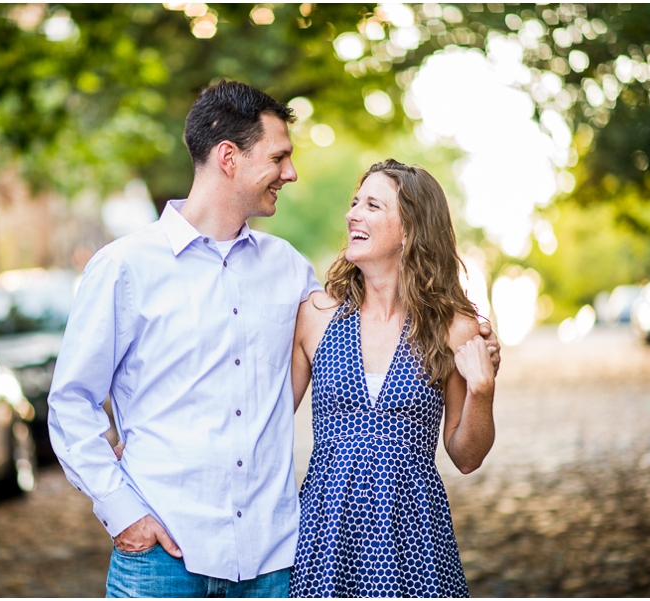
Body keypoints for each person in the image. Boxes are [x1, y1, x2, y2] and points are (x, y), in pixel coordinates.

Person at [48, 80, 500, 598]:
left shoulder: (289, 272)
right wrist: (121, 510)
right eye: (279, 156)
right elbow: (70, 404)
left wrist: (478, 356)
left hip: (272, 561)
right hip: (164, 554)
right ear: (228, 158)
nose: (291, 172)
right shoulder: (123, 267)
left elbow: (344, 342)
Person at [289, 159, 495, 598]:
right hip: (326, 537)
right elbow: (263, 415)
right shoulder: (316, 316)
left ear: (410, 229)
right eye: (353, 203)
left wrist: (482, 391)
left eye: (372, 206)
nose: (352, 214)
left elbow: (466, 456)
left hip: (416, 540)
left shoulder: (454, 328)